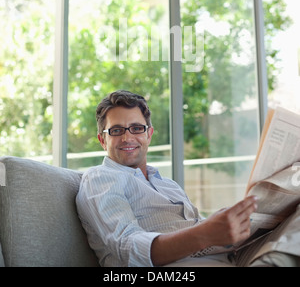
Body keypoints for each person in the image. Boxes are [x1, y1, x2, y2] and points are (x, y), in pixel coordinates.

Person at [76, 89, 258, 267]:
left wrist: (231, 226)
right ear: (102, 140)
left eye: (137, 128)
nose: (127, 137)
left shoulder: (168, 185)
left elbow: (200, 228)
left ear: (149, 134)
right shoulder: (100, 178)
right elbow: (128, 250)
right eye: (116, 131)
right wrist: (205, 233)